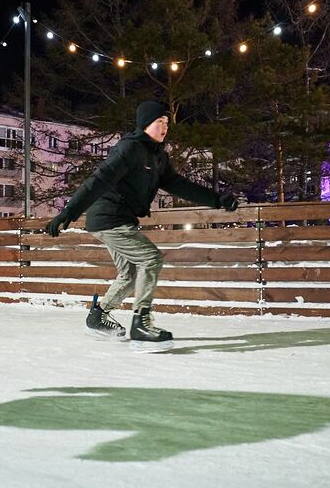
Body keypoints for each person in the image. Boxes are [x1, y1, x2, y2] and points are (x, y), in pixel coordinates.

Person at [46, 101, 238, 353]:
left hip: (121, 219)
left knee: (130, 274)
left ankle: (98, 316)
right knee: (151, 259)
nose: (164, 127)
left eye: (167, 123)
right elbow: (99, 180)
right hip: (108, 218)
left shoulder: (159, 156)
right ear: (145, 124)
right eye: (159, 122)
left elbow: (179, 185)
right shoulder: (129, 149)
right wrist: (69, 211)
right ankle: (141, 323)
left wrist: (216, 200)